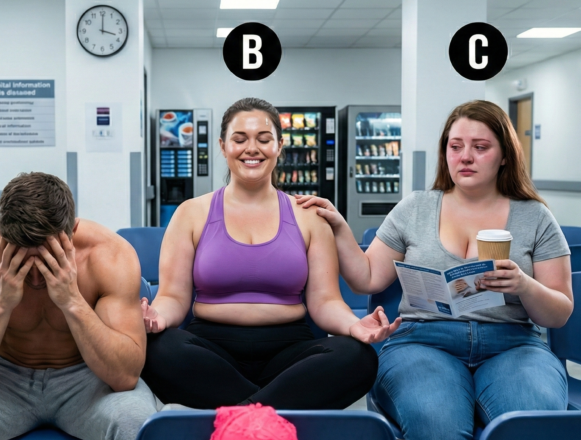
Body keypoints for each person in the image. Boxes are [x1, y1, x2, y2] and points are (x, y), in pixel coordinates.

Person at [300, 100, 572, 440]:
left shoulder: (534, 216)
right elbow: (367, 279)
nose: (465, 157)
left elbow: (559, 313)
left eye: (480, 147)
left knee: (530, 423)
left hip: (513, 344)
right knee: (437, 426)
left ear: (505, 155)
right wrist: (340, 227)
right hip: (422, 343)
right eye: (455, 147)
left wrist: (523, 285)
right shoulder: (416, 208)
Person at [139, 97, 399, 410]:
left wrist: (353, 326)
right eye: (240, 139)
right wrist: (158, 316)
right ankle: (269, 415)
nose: (252, 148)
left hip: (290, 352)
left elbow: (326, 301)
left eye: (264, 139)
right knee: (156, 348)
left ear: (279, 146)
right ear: (223, 146)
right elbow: (173, 298)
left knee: (357, 356)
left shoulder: (308, 216)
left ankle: (240, 418)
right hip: (209, 349)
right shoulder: (191, 213)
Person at [0, 172, 156, 440]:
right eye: (22, 262)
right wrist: (0, 304)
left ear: (72, 231)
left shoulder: (110, 255)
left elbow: (125, 377)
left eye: (49, 260)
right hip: (1, 377)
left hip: (88, 379)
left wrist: (72, 301)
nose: (37, 278)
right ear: (1, 235)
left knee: (137, 422)